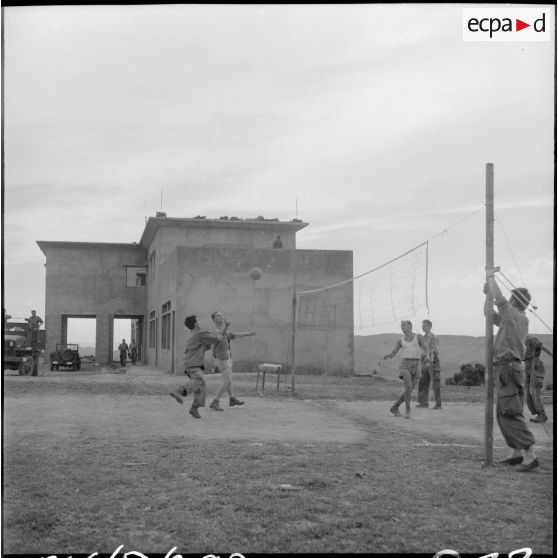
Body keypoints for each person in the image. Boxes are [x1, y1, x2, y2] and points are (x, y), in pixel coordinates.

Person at [484, 269, 538, 472]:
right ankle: (516, 453)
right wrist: (487, 296)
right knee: (502, 413)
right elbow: (489, 315)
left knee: (510, 412)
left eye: (511, 299)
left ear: (515, 301)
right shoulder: (512, 319)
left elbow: (499, 298)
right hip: (507, 368)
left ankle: (530, 453)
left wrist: (490, 278)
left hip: (509, 367)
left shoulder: (514, 316)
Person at [169, 315, 229, 419]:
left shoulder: (194, 336)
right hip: (193, 364)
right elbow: (217, 338)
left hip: (190, 364)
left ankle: (194, 408)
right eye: (197, 321)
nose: (199, 323)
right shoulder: (200, 334)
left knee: (201, 386)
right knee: (198, 380)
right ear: (195, 324)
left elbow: (212, 342)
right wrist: (223, 330)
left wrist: (224, 330)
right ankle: (179, 392)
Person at [208, 310, 256, 411]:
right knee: (228, 381)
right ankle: (215, 402)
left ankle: (232, 399)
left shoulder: (225, 330)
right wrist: (226, 327)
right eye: (218, 316)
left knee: (228, 381)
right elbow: (221, 336)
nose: (221, 317)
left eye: (221, 315)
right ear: (214, 320)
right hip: (221, 359)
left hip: (227, 358)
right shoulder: (215, 331)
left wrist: (247, 334)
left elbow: (232, 335)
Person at [384, 320, 427, 419]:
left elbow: (425, 348)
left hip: (417, 364)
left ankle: (395, 407)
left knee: (409, 390)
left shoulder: (419, 337)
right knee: (408, 387)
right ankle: (408, 409)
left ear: (410, 326)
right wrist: (389, 355)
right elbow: (394, 352)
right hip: (405, 365)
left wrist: (428, 355)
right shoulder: (400, 340)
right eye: (401, 325)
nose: (402, 327)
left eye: (404, 325)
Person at [524, 335, 553, 424]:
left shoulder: (531, 341)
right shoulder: (522, 343)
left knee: (534, 393)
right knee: (528, 395)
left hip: (536, 370)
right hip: (528, 370)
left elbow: (543, 348)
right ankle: (537, 415)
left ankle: (542, 416)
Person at [416, 319, 442, 409]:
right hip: (424, 361)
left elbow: (434, 351)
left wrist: (430, 360)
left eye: (425, 325)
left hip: (433, 361)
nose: (423, 327)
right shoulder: (422, 337)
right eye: (422, 325)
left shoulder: (433, 337)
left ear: (430, 326)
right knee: (423, 382)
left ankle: (438, 404)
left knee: (435, 383)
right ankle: (423, 402)